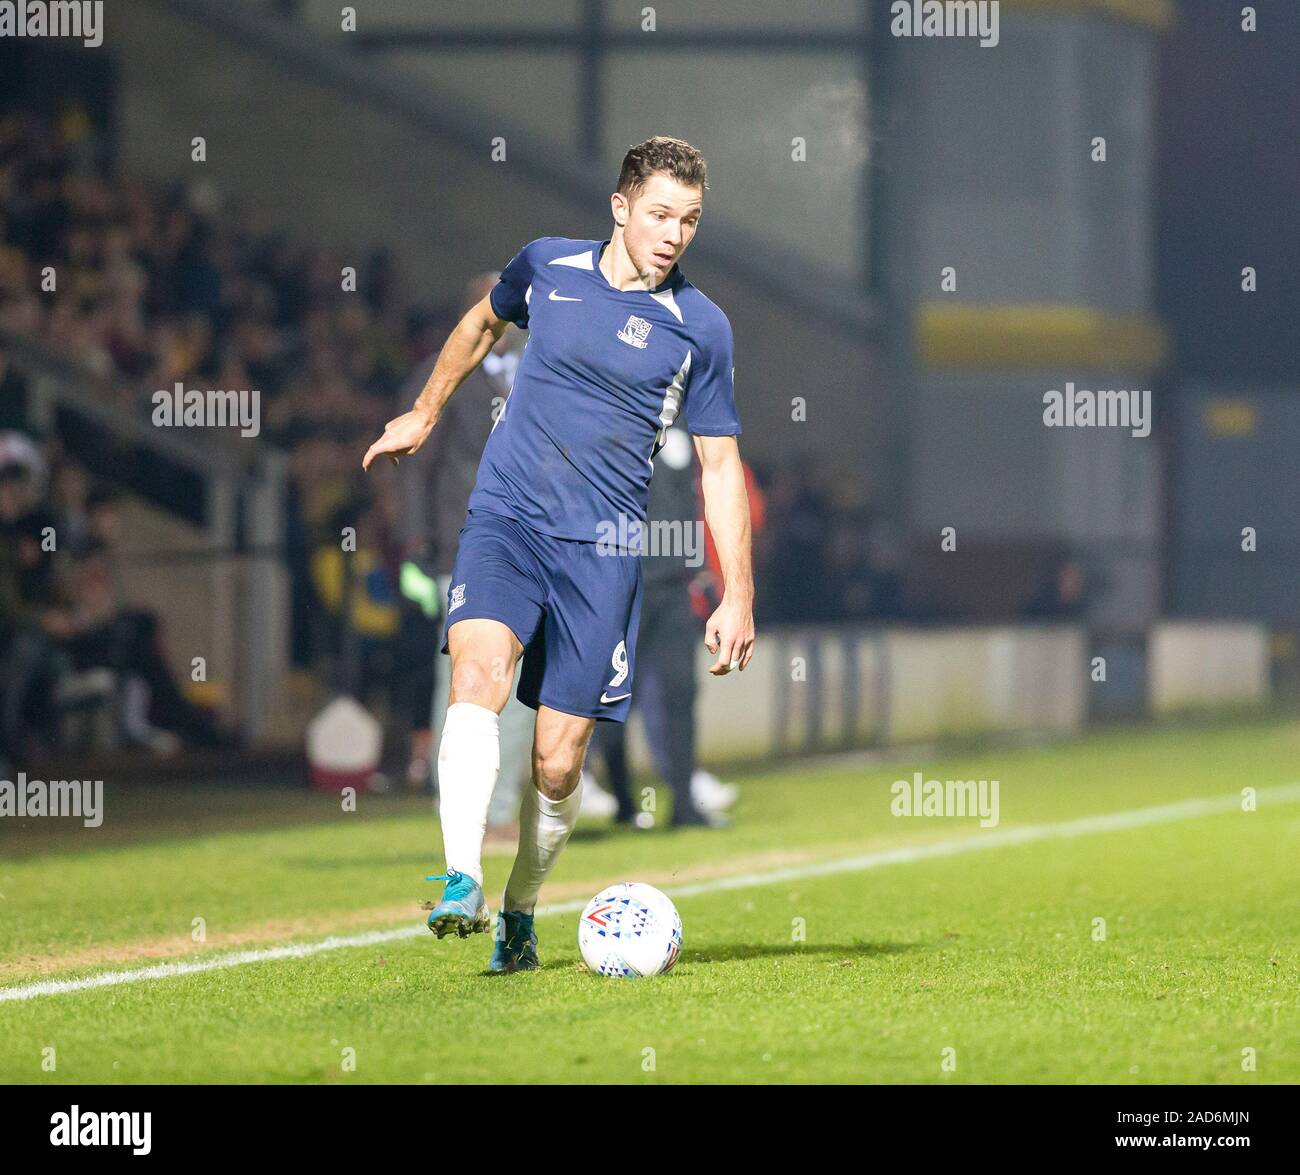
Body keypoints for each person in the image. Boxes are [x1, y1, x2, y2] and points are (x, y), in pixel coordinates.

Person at [362, 136, 755, 973]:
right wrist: (427, 411)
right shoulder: (546, 267)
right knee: (476, 675)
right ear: (620, 207)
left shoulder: (702, 328)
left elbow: (720, 468)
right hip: (506, 520)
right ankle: (461, 872)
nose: (674, 232)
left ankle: (520, 905)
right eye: (659, 214)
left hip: (604, 552)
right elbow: (479, 325)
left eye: (688, 218)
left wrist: (738, 594)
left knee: (557, 757)